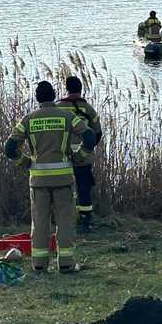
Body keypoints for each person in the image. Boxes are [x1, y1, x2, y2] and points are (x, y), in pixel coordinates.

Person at [5, 81, 96, 273]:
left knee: (39, 223)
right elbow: (89, 137)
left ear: (37, 98)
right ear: (54, 95)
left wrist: (25, 162)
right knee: (65, 222)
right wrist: (79, 156)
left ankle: (39, 264)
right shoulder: (67, 117)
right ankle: (66, 263)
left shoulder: (28, 119)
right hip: (63, 179)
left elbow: (9, 147)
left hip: (38, 180)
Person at [56, 76, 103, 232]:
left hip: (63, 157)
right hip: (83, 157)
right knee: (84, 188)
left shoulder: (58, 107)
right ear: (81, 89)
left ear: (67, 88)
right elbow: (97, 132)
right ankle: (85, 221)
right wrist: (88, 149)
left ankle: (63, 220)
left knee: (62, 188)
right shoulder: (87, 108)